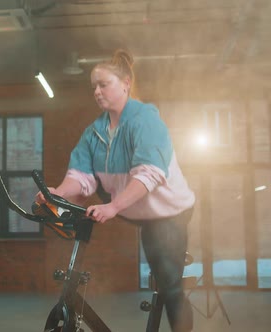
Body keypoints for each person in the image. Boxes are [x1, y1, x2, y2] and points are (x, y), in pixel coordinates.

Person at [36, 49, 195, 332]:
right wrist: (58, 193)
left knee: (169, 284)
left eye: (103, 84)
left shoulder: (146, 121)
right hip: (136, 210)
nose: (97, 91)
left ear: (125, 84)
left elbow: (150, 174)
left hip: (168, 212)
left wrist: (112, 207)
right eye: (93, 87)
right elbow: (81, 176)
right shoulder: (94, 133)